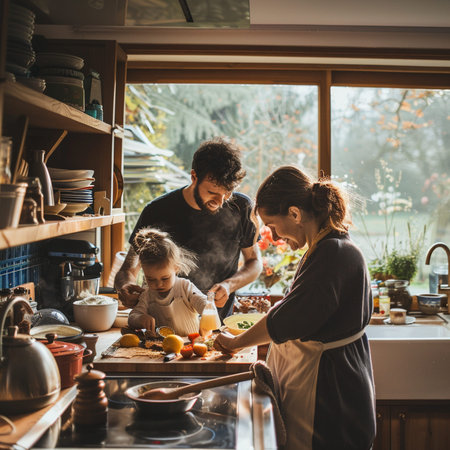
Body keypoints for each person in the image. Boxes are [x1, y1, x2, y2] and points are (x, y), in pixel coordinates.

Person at [214, 166, 376, 450]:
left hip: (329, 397)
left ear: (295, 214)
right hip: (330, 386)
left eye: (273, 226)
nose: (274, 238)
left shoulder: (332, 254)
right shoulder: (325, 247)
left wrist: (235, 343)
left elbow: (286, 320)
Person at [115, 137, 262, 320]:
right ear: (194, 177)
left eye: (227, 193)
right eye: (212, 193)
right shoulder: (157, 211)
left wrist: (229, 285)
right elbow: (128, 269)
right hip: (162, 327)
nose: (221, 201)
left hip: (216, 324)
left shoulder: (242, 208)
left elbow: (254, 262)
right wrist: (126, 287)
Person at [128, 227, 208, 336]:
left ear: (176, 268)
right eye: (150, 279)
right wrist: (140, 318)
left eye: (165, 278)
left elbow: (204, 304)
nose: (158, 284)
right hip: (161, 348)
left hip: (191, 346)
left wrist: (207, 316)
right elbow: (132, 317)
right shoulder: (147, 294)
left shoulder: (185, 287)